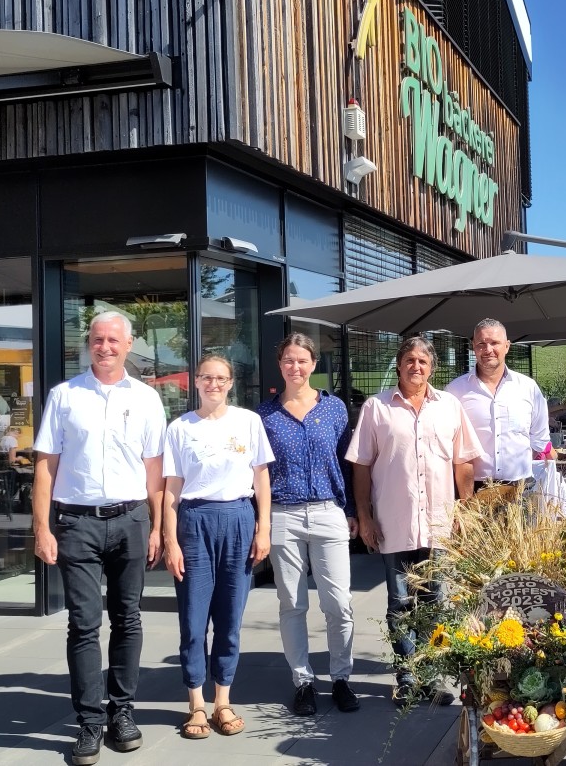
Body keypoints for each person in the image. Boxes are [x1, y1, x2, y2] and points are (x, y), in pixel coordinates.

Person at [32, 311, 167, 766]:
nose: (105, 346)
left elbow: (154, 470)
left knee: (128, 620)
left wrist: (158, 527)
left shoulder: (148, 399)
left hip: (131, 521)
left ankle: (122, 713)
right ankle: (90, 721)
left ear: (129, 344)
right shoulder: (64, 396)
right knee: (84, 625)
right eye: (97, 339)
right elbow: (45, 467)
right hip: (77, 525)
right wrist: (42, 527)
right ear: (87, 343)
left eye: (113, 340)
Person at [347, 335, 482, 705]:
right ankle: (407, 678)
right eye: (409, 360)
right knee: (401, 604)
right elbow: (361, 464)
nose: (416, 366)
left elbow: (463, 462)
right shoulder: (377, 408)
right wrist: (364, 515)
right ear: (399, 364)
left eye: (423, 361)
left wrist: (465, 511)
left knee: (435, 602)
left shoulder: (450, 406)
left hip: (440, 523)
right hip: (394, 523)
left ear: (432, 367)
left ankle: (429, 677)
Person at [162, 354, 273, 740]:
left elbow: (261, 480)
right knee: (193, 620)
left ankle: (222, 700)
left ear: (230, 383)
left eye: (220, 378)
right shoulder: (179, 428)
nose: (213, 384)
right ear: (196, 382)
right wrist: (169, 540)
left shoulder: (249, 422)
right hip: (194, 522)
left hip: (239, 519)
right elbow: (171, 490)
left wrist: (264, 529)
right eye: (206, 377)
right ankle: (196, 703)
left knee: (230, 618)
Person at [257, 334, 360, 718]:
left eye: (302, 361)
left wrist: (351, 509)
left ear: (313, 364)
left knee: (339, 602)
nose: (295, 367)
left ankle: (341, 678)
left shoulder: (334, 410)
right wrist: (261, 521)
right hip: (283, 514)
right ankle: (303, 682)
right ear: (280, 364)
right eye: (288, 361)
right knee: (292, 604)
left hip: (327, 511)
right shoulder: (265, 414)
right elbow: (260, 474)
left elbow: (346, 463)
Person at [446, 318, 553, 493]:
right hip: (473, 491)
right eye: (481, 344)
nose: (488, 350)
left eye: (495, 343)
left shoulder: (528, 388)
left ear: (507, 346)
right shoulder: (455, 391)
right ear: (473, 346)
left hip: (520, 488)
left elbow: (540, 439)